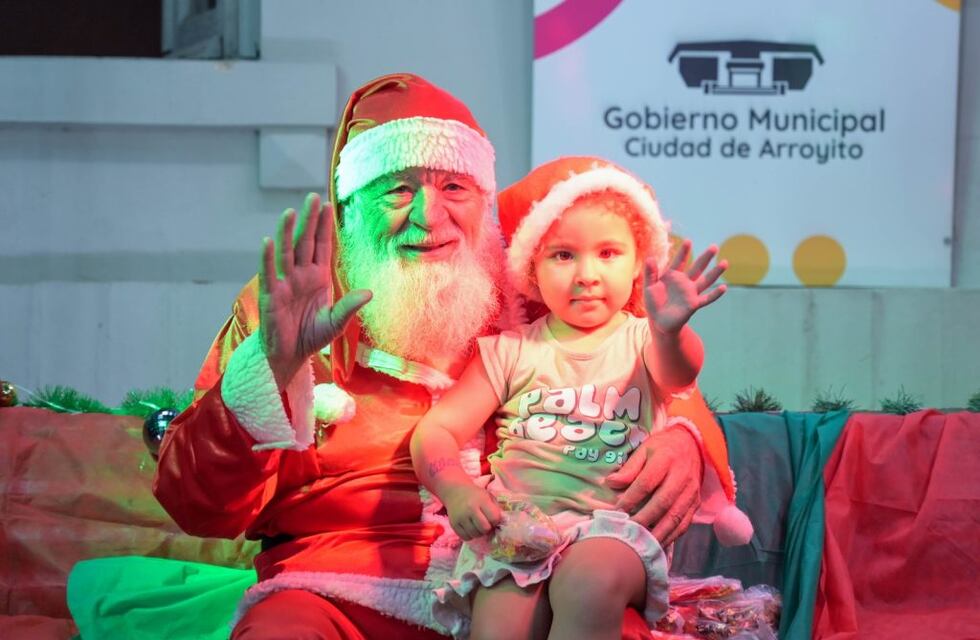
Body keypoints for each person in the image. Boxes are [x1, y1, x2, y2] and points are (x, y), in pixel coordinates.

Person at [152, 74, 735, 639]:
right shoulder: (292, 306)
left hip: (532, 571)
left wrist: (684, 438)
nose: (429, 218)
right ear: (353, 204)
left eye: (454, 187)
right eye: (398, 189)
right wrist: (275, 366)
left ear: (485, 201)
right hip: (340, 583)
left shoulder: (536, 282)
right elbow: (202, 509)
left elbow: (653, 362)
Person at [411, 157, 753, 639]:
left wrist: (671, 331)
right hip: (518, 528)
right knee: (499, 623)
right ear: (531, 268)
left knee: (588, 583)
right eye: (563, 255)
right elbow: (437, 430)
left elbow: (681, 373)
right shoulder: (509, 351)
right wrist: (457, 489)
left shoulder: (644, 340)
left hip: (612, 531)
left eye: (608, 253)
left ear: (638, 262)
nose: (587, 274)